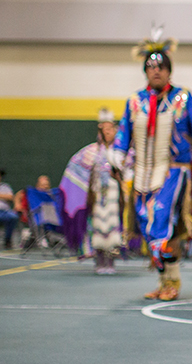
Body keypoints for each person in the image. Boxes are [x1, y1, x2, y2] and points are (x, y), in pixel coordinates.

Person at [109, 29, 192, 301]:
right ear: (145, 72)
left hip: (174, 172)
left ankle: (173, 283)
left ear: (169, 71)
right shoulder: (135, 102)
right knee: (148, 225)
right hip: (143, 175)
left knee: (163, 222)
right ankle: (164, 281)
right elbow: (123, 134)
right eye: (150, 67)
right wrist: (117, 155)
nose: (155, 71)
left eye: (161, 67)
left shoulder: (183, 98)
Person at [60, 108, 124, 274]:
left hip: (114, 197)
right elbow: (74, 169)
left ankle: (110, 262)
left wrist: (119, 175)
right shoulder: (90, 151)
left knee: (113, 229)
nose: (110, 132)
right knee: (96, 228)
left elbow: (130, 173)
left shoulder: (121, 153)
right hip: (96, 196)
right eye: (106, 130)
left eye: (112, 129)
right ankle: (100, 260)